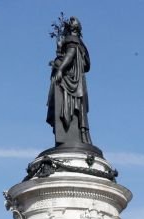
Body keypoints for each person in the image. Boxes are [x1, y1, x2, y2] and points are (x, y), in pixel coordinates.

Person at [46, 16, 92, 147]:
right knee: (80, 111)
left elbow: (70, 55)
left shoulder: (72, 40)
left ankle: (76, 135)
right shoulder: (80, 43)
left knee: (74, 109)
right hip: (77, 80)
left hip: (70, 80)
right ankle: (82, 134)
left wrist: (60, 69)